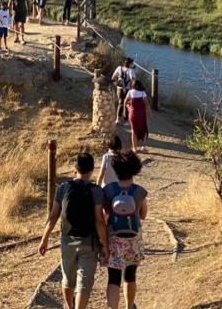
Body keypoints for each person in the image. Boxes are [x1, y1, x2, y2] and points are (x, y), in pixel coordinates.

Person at [39, 153, 110, 309]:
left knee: (68, 281)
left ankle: (70, 306)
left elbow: (53, 217)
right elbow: (99, 220)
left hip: (67, 242)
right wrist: (105, 245)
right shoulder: (96, 191)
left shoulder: (63, 189)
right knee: (84, 283)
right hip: (89, 243)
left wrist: (44, 239)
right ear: (92, 170)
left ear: (75, 168)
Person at [103, 151, 148, 309]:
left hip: (114, 238)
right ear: (135, 169)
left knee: (113, 277)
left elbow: (105, 213)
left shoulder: (108, 190)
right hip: (133, 238)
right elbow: (143, 215)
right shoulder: (140, 191)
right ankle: (129, 306)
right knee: (130, 274)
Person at [125, 81, 150, 153]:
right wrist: (149, 113)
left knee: (133, 131)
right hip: (141, 114)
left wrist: (128, 107)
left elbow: (125, 102)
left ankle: (134, 148)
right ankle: (143, 147)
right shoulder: (142, 93)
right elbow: (147, 104)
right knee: (144, 129)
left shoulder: (130, 92)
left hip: (132, 114)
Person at [111, 58, 134, 125]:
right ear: (129, 63)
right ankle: (126, 120)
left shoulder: (119, 68)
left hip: (119, 88)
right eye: (132, 63)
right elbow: (133, 80)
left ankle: (118, 119)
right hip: (127, 89)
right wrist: (132, 88)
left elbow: (113, 77)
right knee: (127, 104)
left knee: (120, 102)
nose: (132, 65)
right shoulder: (131, 70)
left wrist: (116, 84)